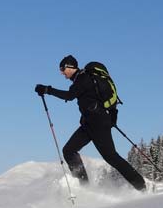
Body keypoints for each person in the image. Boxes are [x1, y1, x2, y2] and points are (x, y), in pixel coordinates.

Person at [35, 55, 147, 192]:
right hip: (89, 124)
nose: (61, 72)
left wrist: (48, 90)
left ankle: (141, 186)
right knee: (69, 150)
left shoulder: (82, 79)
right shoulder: (81, 79)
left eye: (63, 68)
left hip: (98, 124)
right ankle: (84, 188)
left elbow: (69, 96)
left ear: (70, 67)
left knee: (111, 156)